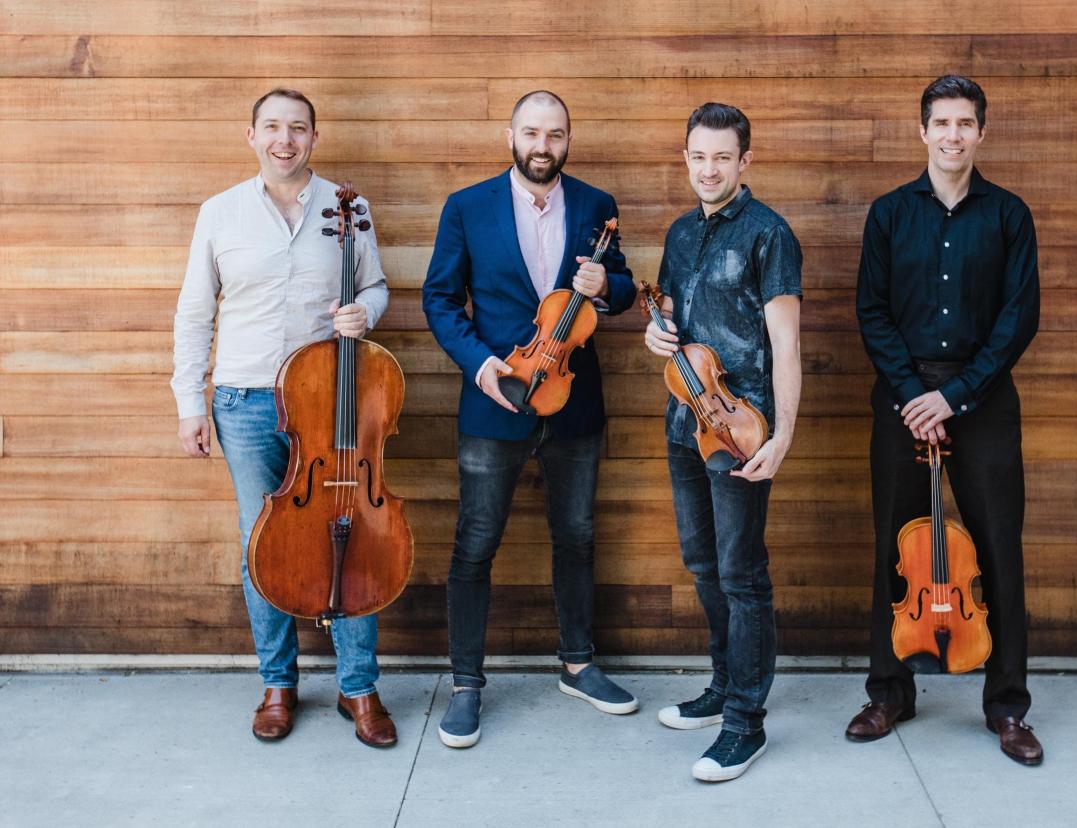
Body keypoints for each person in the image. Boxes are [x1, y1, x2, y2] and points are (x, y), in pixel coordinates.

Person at [172, 88, 397, 748]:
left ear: (314, 138)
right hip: (243, 401)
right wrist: (191, 403)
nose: (284, 139)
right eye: (272, 127)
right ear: (251, 136)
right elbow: (194, 313)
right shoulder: (220, 213)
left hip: (332, 398)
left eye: (297, 128)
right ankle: (277, 683)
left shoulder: (346, 208)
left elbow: (376, 285)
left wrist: (366, 313)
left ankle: (359, 688)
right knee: (260, 543)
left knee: (350, 530)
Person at [422, 90, 639, 749]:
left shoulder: (597, 206)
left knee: (576, 534)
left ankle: (578, 663)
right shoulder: (467, 206)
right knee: (476, 541)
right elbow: (439, 298)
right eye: (532, 133)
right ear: (510, 134)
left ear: (568, 139)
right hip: (496, 397)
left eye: (555, 134)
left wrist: (611, 289)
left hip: (574, 399)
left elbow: (623, 287)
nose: (543, 146)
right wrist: (481, 366)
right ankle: (466, 685)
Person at [849, 75, 1043, 765]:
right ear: (922, 131)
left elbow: (1018, 320)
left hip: (983, 403)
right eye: (942, 123)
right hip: (902, 403)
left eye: (966, 123)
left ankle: (1008, 708)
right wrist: (913, 397)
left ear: (981, 133)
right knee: (894, 554)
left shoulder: (1009, 215)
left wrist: (954, 396)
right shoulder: (890, 214)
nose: (954, 135)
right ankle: (889, 693)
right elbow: (871, 312)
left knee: (999, 556)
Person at [644, 102, 802, 782]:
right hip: (685, 422)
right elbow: (676, 325)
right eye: (697, 156)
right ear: (686, 158)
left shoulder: (770, 234)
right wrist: (657, 333)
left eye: (721, 157)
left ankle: (746, 722)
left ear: (745, 161)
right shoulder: (681, 233)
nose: (708, 169)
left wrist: (785, 437)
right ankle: (721, 685)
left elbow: (788, 344)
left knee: (742, 576)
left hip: (742, 431)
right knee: (702, 563)